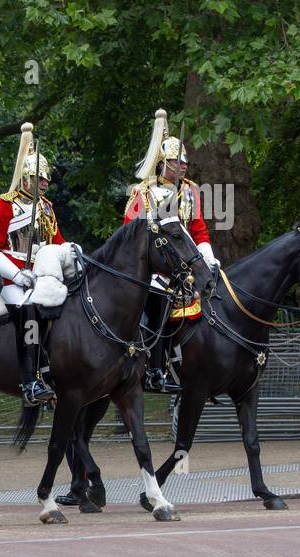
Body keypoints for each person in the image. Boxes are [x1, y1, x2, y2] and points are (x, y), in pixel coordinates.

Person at [123, 108, 219, 394]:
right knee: (161, 299)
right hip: (156, 262)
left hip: (188, 259)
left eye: (185, 161)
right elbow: (131, 230)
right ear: (163, 163)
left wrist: (208, 257)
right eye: (177, 161)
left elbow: (199, 229)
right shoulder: (144, 191)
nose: (183, 166)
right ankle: (155, 369)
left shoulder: (190, 190)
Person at [0, 123, 65, 406]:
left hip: (40, 274)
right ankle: (30, 382)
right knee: (28, 311)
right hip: (10, 278)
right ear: (26, 178)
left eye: (46, 180)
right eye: (40, 180)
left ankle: (54, 370)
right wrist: (17, 275)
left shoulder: (46, 207)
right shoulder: (4, 206)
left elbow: (56, 242)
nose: (45, 184)